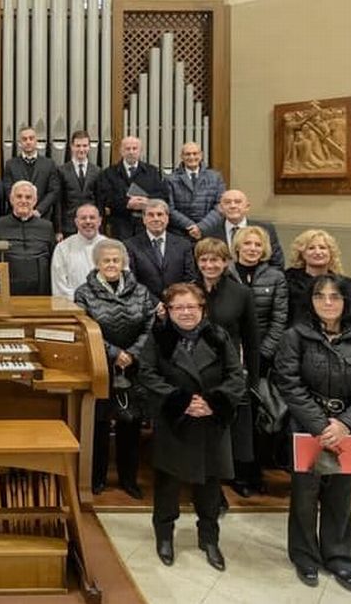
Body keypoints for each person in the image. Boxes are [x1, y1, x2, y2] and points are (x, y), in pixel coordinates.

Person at [271, 274, 351, 592]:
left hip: (349, 431)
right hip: (308, 429)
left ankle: (339, 558)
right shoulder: (295, 336)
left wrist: (346, 424)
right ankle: (305, 557)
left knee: (341, 496)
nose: (328, 302)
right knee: (305, 497)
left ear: (347, 301)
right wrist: (321, 425)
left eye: (335, 297)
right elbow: (289, 384)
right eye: (320, 296)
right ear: (311, 301)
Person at [137, 282, 245, 571]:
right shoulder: (159, 338)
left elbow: (236, 377)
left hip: (211, 421)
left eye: (191, 306)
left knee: (210, 487)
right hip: (176, 422)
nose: (185, 312)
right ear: (168, 310)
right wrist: (182, 401)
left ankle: (209, 539)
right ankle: (164, 537)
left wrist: (212, 402)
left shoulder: (219, 336)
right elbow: (146, 374)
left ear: (202, 309)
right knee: (168, 486)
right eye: (178, 307)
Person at [74, 239, 155, 498]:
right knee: (98, 425)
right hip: (99, 364)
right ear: (97, 263)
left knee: (130, 424)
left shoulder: (141, 291)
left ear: (124, 263)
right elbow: (84, 328)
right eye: (106, 260)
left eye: (116, 260)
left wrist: (131, 354)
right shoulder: (83, 292)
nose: (111, 264)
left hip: (133, 366)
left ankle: (129, 480)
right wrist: (113, 353)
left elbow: (150, 325)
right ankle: (97, 479)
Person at [194, 238, 261, 498]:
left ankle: (234, 477)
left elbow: (251, 340)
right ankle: (206, 481)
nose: (209, 265)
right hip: (196, 369)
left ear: (225, 262)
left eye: (215, 260)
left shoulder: (241, 293)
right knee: (203, 427)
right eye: (204, 259)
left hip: (228, 369)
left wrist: (252, 380)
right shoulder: (189, 290)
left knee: (232, 427)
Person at [232, 225, 289, 488]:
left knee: (258, 414)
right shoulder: (227, 273)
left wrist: (262, 353)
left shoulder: (276, 276)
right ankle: (235, 470)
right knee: (235, 414)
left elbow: (280, 319)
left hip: (263, 357)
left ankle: (254, 470)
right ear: (238, 247)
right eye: (247, 244)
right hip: (231, 354)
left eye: (257, 245)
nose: (252, 249)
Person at [0, 181, 55, 295]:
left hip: (40, 291)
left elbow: (52, 261)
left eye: (28, 197)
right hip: (8, 291)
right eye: (19, 196)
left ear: (35, 201)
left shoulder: (47, 227)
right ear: (11, 199)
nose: (23, 201)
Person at [285, 229, 351, 327]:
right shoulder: (287, 280)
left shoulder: (346, 284)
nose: (318, 252)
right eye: (311, 248)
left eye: (322, 248)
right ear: (302, 254)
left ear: (331, 253)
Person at [96, 136, 167, 240]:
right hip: (120, 225)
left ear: (140, 151)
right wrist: (127, 203)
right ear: (121, 151)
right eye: (127, 149)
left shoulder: (152, 172)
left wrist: (148, 201)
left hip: (146, 225)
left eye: (134, 148)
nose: (131, 152)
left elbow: (162, 195)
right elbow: (105, 198)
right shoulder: (109, 173)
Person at [124, 199, 196, 299]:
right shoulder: (130, 245)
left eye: (160, 214)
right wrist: (155, 304)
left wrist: (175, 301)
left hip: (177, 304)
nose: (156, 219)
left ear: (167, 218)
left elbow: (189, 279)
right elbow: (132, 281)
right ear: (144, 219)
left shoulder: (183, 244)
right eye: (151, 215)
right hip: (145, 305)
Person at [205, 189, 285, 267]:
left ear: (247, 207)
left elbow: (277, 263)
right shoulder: (210, 232)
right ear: (220, 208)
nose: (233, 206)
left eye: (238, 202)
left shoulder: (265, 229)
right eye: (227, 202)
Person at [166, 142, 224, 240]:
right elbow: (169, 208)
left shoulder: (215, 177)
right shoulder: (170, 179)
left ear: (201, 155)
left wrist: (201, 227)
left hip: (208, 233)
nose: (192, 157)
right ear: (182, 156)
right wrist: (190, 226)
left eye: (195, 153)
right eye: (187, 154)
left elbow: (220, 205)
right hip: (180, 234)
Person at [3, 127, 60, 227]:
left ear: (36, 141)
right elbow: (8, 190)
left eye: (31, 138)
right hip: (16, 219)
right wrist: (21, 209)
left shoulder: (49, 164)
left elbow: (53, 191)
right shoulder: (10, 164)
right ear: (19, 143)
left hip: (42, 218)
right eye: (24, 139)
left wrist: (38, 210)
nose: (28, 142)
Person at [51, 203, 108, 301]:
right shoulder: (63, 248)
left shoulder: (112, 247)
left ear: (100, 221)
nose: (88, 221)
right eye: (83, 218)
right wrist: (83, 300)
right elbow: (59, 285)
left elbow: (122, 280)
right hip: (73, 306)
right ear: (76, 222)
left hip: (107, 307)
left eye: (92, 217)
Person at [58, 131, 102, 238]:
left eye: (84, 146)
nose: (81, 149)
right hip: (69, 225)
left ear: (89, 147)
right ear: (72, 147)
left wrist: (100, 226)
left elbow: (99, 201)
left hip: (91, 225)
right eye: (78, 146)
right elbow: (59, 202)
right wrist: (58, 229)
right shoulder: (61, 170)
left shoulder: (97, 171)